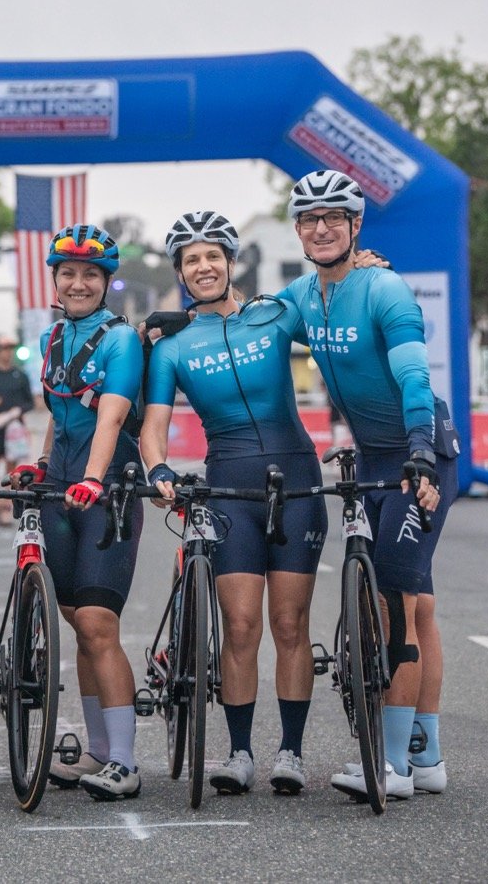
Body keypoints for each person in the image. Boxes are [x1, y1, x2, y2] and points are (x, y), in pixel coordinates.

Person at [276, 169, 459, 800]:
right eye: (309, 219)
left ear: (356, 226)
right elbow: (244, 321)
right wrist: (175, 319)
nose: (321, 228)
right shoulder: (304, 295)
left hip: (419, 451)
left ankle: (392, 768)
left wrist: (420, 456)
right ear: (298, 230)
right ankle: (427, 755)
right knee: (419, 605)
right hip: (375, 456)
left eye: (334, 217)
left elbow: (414, 376)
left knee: (394, 605)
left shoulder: (386, 290)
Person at [141, 211, 328, 797]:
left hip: (296, 481)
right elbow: (154, 426)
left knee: (290, 623)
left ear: (230, 263)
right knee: (241, 626)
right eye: (191, 260)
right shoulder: (172, 346)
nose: (203, 267)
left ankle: (292, 753)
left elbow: (333, 299)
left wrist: (363, 266)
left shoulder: (275, 316)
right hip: (229, 489)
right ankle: (240, 750)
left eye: (212, 256)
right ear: (180, 272)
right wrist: (158, 466)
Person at [10, 225, 146, 800]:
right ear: (56, 279)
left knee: (97, 623)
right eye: (68, 272)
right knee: (75, 620)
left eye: (91, 274)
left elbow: (110, 416)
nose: (79, 282)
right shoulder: (51, 337)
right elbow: (60, 413)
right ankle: (97, 752)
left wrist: (92, 478)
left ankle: (127, 762)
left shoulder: (121, 340)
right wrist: (41, 465)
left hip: (107, 488)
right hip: (61, 489)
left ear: (106, 282)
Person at [0, 335, 34, 524]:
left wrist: (17, 411)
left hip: (13, 432)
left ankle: (6, 507)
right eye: (4, 348)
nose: (8, 352)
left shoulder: (20, 375)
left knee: (11, 473)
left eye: (10, 349)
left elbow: (30, 402)